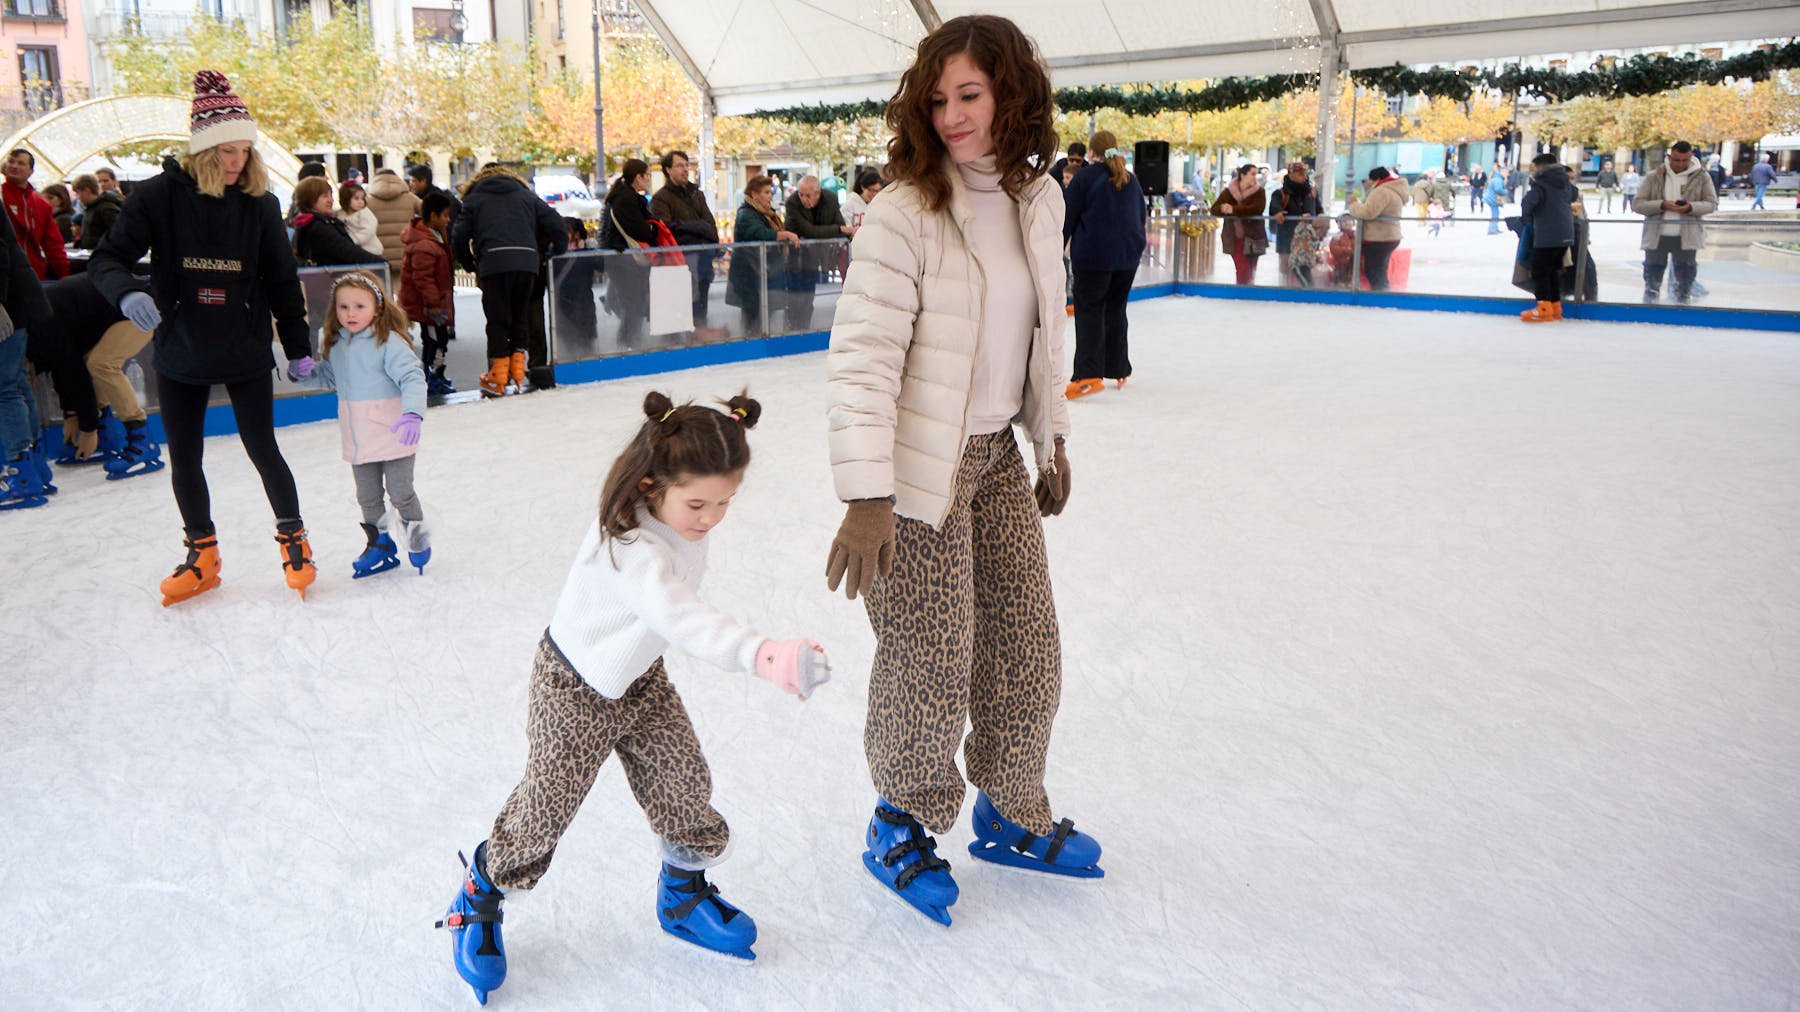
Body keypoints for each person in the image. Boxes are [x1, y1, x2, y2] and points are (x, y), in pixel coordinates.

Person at [825, 13, 1103, 930]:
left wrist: (1050, 439)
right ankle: (897, 821)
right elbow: (863, 361)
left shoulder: (1038, 198)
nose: (951, 115)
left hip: (994, 460)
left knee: (1028, 643)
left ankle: (1008, 809)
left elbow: (1038, 336)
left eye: (970, 95)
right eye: (937, 99)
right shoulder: (905, 213)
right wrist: (868, 496)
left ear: (1011, 93)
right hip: (912, 476)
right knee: (931, 660)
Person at [437, 390, 830, 1003]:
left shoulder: (677, 520)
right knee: (543, 811)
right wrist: (764, 654)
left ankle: (682, 894)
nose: (710, 518)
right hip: (574, 688)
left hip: (639, 679)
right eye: (698, 502)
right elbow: (682, 616)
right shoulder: (629, 546)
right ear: (651, 484)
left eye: (725, 502)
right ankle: (480, 892)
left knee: (683, 780)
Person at [87, 70, 317, 603]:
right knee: (185, 455)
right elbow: (107, 257)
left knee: (263, 446)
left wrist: (299, 346)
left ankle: (294, 538)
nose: (236, 161)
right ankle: (202, 553)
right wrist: (127, 293)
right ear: (201, 151)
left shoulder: (259, 202)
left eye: (244, 150)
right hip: (180, 344)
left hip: (243, 343)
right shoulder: (158, 196)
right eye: (225, 150)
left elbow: (281, 278)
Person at [286, 271, 432, 577]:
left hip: (395, 432)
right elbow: (329, 377)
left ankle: (417, 538)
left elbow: (412, 378)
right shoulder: (337, 343)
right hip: (358, 437)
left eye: (359, 306)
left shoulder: (389, 342)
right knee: (367, 496)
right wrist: (304, 372)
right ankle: (380, 544)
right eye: (343, 307)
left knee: (400, 492)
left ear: (377, 308)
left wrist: (412, 414)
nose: (350, 313)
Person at [452, 162, 565, 396]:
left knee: (497, 321)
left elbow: (459, 235)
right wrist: (556, 251)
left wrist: (469, 262)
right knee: (520, 318)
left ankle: (497, 377)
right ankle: (517, 372)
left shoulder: (474, 198)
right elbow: (556, 223)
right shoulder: (526, 195)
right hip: (526, 263)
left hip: (493, 264)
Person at [46, 274, 163, 476]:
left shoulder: (39, 323)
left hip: (139, 308)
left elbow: (71, 371)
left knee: (102, 363)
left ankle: (143, 441)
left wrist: (87, 428)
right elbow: (63, 368)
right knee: (92, 360)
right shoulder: (35, 322)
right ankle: (105, 431)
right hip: (112, 311)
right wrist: (73, 414)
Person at [1065, 129, 1146, 394]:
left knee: (1089, 310)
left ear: (1091, 152)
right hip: (1127, 257)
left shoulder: (1085, 177)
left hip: (1094, 256)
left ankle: (1088, 374)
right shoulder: (1130, 179)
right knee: (1115, 309)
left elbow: (1068, 217)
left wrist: (1056, 247)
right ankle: (1118, 367)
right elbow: (1140, 217)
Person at [0, 203, 54, 509]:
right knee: (16, 383)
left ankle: (21, 472)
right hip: (16, 301)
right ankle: (34, 467)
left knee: (5, 386)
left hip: (8, 304)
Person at [1633, 140, 1716, 304]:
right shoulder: (1653, 176)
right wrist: (1661, 205)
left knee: (1684, 282)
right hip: (1657, 237)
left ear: (1691, 156)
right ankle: (1649, 312)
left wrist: (1691, 207)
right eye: (1676, 160)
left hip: (1686, 238)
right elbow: (1637, 204)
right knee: (1652, 282)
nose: (1680, 164)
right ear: (1669, 157)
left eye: (1685, 160)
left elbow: (1712, 204)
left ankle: (1682, 312)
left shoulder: (1702, 177)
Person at [649, 150, 719, 326]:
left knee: (702, 299)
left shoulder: (696, 193)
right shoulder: (660, 198)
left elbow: (709, 222)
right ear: (668, 170)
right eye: (680, 165)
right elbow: (665, 227)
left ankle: (701, 331)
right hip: (680, 260)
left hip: (703, 257)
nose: (685, 169)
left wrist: (713, 243)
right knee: (682, 307)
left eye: (687, 165)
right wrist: (697, 226)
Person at [599, 158, 660, 348]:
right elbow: (639, 230)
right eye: (647, 175)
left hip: (621, 259)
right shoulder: (626, 199)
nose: (649, 179)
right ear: (637, 177)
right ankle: (627, 344)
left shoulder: (622, 196)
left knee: (633, 303)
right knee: (633, 305)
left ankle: (629, 342)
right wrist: (654, 232)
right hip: (624, 259)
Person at [726, 175, 798, 335]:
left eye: (770, 192)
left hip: (763, 273)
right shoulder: (746, 214)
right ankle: (751, 343)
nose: (770, 195)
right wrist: (784, 234)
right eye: (766, 192)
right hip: (750, 275)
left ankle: (758, 339)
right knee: (753, 316)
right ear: (754, 195)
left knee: (764, 314)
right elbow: (760, 233)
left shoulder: (765, 213)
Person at [401, 191, 457, 396]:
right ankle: (431, 377)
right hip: (429, 306)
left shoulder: (436, 235)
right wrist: (433, 304)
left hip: (437, 301)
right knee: (435, 340)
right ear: (433, 216)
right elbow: (423, 278)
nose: (448, 219)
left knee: (439, 340)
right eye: (445, 215)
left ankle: (437, 374)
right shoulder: (424, 244)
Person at [782, 175, 850, 332]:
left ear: (818, 193)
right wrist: (835, 230)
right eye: (801, 194)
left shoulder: (830, 199)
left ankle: (803, 328)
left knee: (808, 296)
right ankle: (793, 329)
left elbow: (839, 225)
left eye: (807, 195)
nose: (803, 199)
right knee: (795, 296)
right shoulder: (792, 202)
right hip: (795, 257)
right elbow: (809, 230)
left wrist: (834, 230)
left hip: (815, 256)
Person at [1517, 153, 1577, 323]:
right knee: (1551, 271)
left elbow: (1528, 204)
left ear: (1541, 167)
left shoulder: (1541, 184)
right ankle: (1555, 307)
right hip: (1566, 234)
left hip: (1547, 234)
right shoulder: (1564, 182)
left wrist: (1528, 219)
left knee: (1539, 271)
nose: (1532, 171)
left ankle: (1543, 307)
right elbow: (1573, 195)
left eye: (1533, 168)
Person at [3, 149, 69, 280]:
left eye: (21, 163)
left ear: (30, 171)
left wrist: (64, 275)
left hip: (31, 275)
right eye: (11, 161)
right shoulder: (2, 197)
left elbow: (54, 244)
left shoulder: (41, 204)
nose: (14, 166)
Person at [291, 177, 378, 266]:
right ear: (310, 199)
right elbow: (348, 252)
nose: (330, 200)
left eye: (331, 195)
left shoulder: (310, 222)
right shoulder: (319, 227)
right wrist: (381, 263)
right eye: (325, 196)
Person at [1348, 166, 1408, 291]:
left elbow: (1368, 212)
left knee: (1374, 271)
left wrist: (1353, 204)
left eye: (1369, 179)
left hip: (1379, 238)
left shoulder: (1381, 191)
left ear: (1376, 179)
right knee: (1379, 270)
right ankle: (1382, 294)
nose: (1367, 182)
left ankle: (1380, 296)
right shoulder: (1391, 189)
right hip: (1388, 236)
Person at [1210, 163, 1267, 286]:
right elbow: (1214, 209)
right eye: (1252, 174)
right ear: (1243, 175)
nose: (1255, 177)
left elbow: (1257, 208)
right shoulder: (1228, 192)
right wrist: (1223, 208)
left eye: (1256, 174)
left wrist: (1233, 210)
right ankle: (1242, 293)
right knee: (1243, 268)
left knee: (1251, 268)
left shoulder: (1259, 192)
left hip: (1254, 237)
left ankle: (1249, 294)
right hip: (1234, 237)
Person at [364, 167, 421, 281]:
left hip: (378, 257)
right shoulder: (410, 198)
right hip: (405, 255)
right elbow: (429, 212)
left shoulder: (367, 200)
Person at [1268, 161, 1322, 282]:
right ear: (1290, 175)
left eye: (1304, 174)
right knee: (1286, 270)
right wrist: (1279, 213)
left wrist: (1312, 218)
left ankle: (1307, 294)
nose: (1303, 176)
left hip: (1307, 242)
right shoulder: (1280, 194)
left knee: (1306, 271)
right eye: (1299, 174)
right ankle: (1285, 293)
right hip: (1287, 240)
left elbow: (1319, 211)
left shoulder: (1311, 193)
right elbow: (1275, 209)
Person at [72, 174, 124, 250]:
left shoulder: (106, 208)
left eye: (78, 193)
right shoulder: (91, 208)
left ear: (86, 190)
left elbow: (119, 233)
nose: (78, 197)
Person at [339, 181, 384, 260]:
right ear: (345, 199)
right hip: (355, 252)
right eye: (356, 198)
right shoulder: (340, 214)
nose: (360, 201)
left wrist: (354, 240)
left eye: (362, 198)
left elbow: (369, 230)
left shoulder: (364, 213)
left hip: (371, 251)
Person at [1287, 217, 1321, 287]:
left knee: (1310, 284)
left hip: (1305, 264)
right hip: (1298, 263)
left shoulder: (1312, 239)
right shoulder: (1303, 233)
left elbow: (1311, 251)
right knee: (1306, 284)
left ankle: (1309, 296)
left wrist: (1316, 258)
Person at [1327, 214, 1357, 286]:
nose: (1347, 222)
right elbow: (1333, 248)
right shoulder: (1337, 236)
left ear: (1353, 222)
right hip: (1340, 266)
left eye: (1349, 220)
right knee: (1340, 284)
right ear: (1339, 224)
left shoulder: (1356, 235)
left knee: (1352, 284)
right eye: (1344, 221)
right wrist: (1346, 250)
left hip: (1354, 267)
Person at [1486, 162, 1509, 234]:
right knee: (1495, 214)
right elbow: (1498, 189)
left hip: (1492, 198)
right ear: (1502, 172)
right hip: (1493, 199)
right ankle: (1492, 229)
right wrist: (1505, 192)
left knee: (1496, 213)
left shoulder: (1497, 177)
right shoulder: (1498, 179)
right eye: (1506, 173)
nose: (1507, 174)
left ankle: (1494, 228)